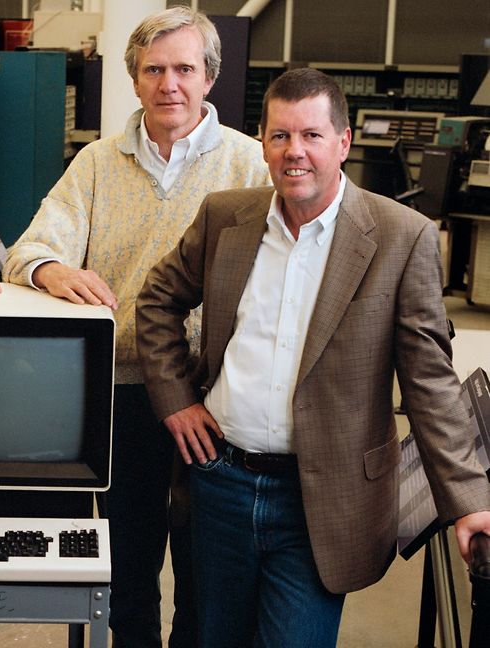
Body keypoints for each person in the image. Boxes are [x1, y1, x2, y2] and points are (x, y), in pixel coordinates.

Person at [136, 67, 490, 648]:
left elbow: (431, 382)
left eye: (312, 135)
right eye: (279, 136)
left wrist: (469, 501)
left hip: (321, 498)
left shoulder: (402, 238)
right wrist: (175, 400)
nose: (293, 152)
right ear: (262, 142)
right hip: (221, 482)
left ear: (343, 143)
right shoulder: (226, 218)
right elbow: (156, 302)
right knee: (210, 635)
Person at [2, 7, 270, 647]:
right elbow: (26, 249)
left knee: (208, 570)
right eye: (154, 70)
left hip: (216, 400)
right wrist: (49, 271)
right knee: (127, 567)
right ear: (134, 79)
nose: (169, 84)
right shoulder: (97, 162)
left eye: (184, 68)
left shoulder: (251, 165)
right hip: (120, 394)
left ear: (209, 76)